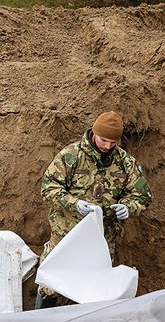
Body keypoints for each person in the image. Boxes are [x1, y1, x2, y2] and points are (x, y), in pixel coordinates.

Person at [36, 111, 153, 309]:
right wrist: (74, 204)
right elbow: (48, 188)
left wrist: (128, 207)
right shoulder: (71, 156)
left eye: (113, 142)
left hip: (102, 240)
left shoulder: (125, 163)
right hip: (67, 236)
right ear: (94, 133)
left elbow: (143, 196)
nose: (107, 146)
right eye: (104, 139)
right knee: (50, 284)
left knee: (97, 289)